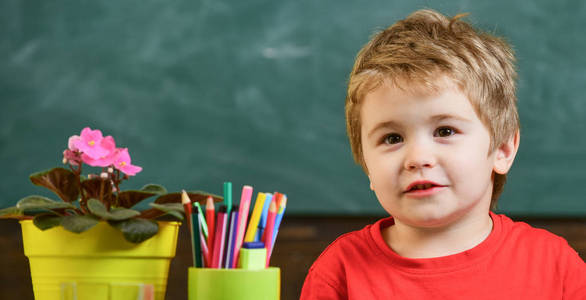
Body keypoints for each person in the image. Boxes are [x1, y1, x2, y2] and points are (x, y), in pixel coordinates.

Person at [300, 9, 585, 299]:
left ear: (503, 149)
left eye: (445, 131)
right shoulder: (339, 272)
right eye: (392, 138)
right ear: (367, 166)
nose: (418, 157)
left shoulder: (555, 266)